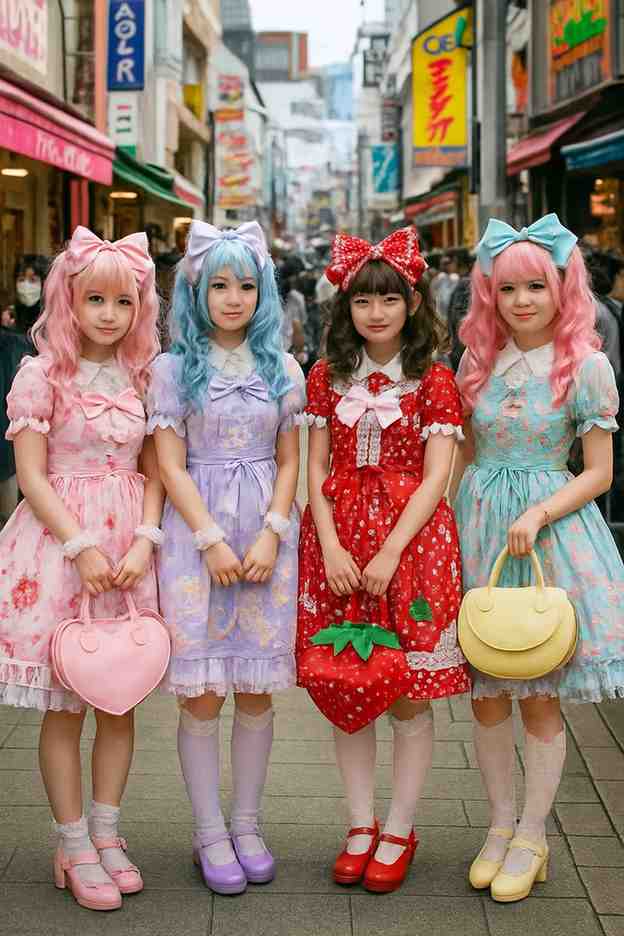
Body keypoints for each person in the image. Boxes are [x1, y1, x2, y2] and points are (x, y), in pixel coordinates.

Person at [453, 214, 624, 903]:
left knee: (540, 697)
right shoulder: (476, 360)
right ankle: (497, 828)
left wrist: (538, 511)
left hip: (548, 531)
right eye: (508, 288)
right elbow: (462, 449)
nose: (522, 300)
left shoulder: (585, 363)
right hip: (478, 525)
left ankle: (532, 833)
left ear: (562, 287)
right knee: (487, 696)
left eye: (536, 285)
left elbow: (600, 471)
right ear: (489, 293)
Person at [297, 228, 470, 894]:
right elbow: (315, 469)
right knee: (350, 682)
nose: (376, 312)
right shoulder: (324, 376)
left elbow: (436, 476)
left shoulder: (433, 379)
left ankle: (400, 826)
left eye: (389, 300)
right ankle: (360, 823)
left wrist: (393, 548)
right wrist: (333, 544)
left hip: (413, 545)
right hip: (339, 544)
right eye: (363, 300)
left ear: (411, 303)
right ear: (344, 306)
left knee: (404, 694)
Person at [0, 227, 163, 911]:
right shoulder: (41, 374)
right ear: (70, 299)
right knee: (66, 704)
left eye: (122, 302)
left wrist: (143, 543)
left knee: (117, 699)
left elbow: (155, 470)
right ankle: (71, 843)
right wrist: (80, 546)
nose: (107, 314)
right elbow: (30, 477)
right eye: (94, 299)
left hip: (127, 547)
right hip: (57, 546)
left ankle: (107, 832)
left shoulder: (146, 373)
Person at [147, 221, 305, 896]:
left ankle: (248, 823)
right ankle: (209, 830)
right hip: (196, 534)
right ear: (196, 290)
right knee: (204, 693)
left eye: (246, 284)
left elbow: (294, 458)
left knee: (258, 690)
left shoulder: (284, 366)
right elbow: (168, 461)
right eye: (219, 284)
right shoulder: (171, 368)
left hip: (267, 532)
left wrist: (272, 531)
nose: (233, 297)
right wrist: (210, 537)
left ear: (263, 290)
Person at [13, 254, 49, 334]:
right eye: (21, 279)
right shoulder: (12, 315)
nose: (26, 285)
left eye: (33, 280)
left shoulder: (52, 318)